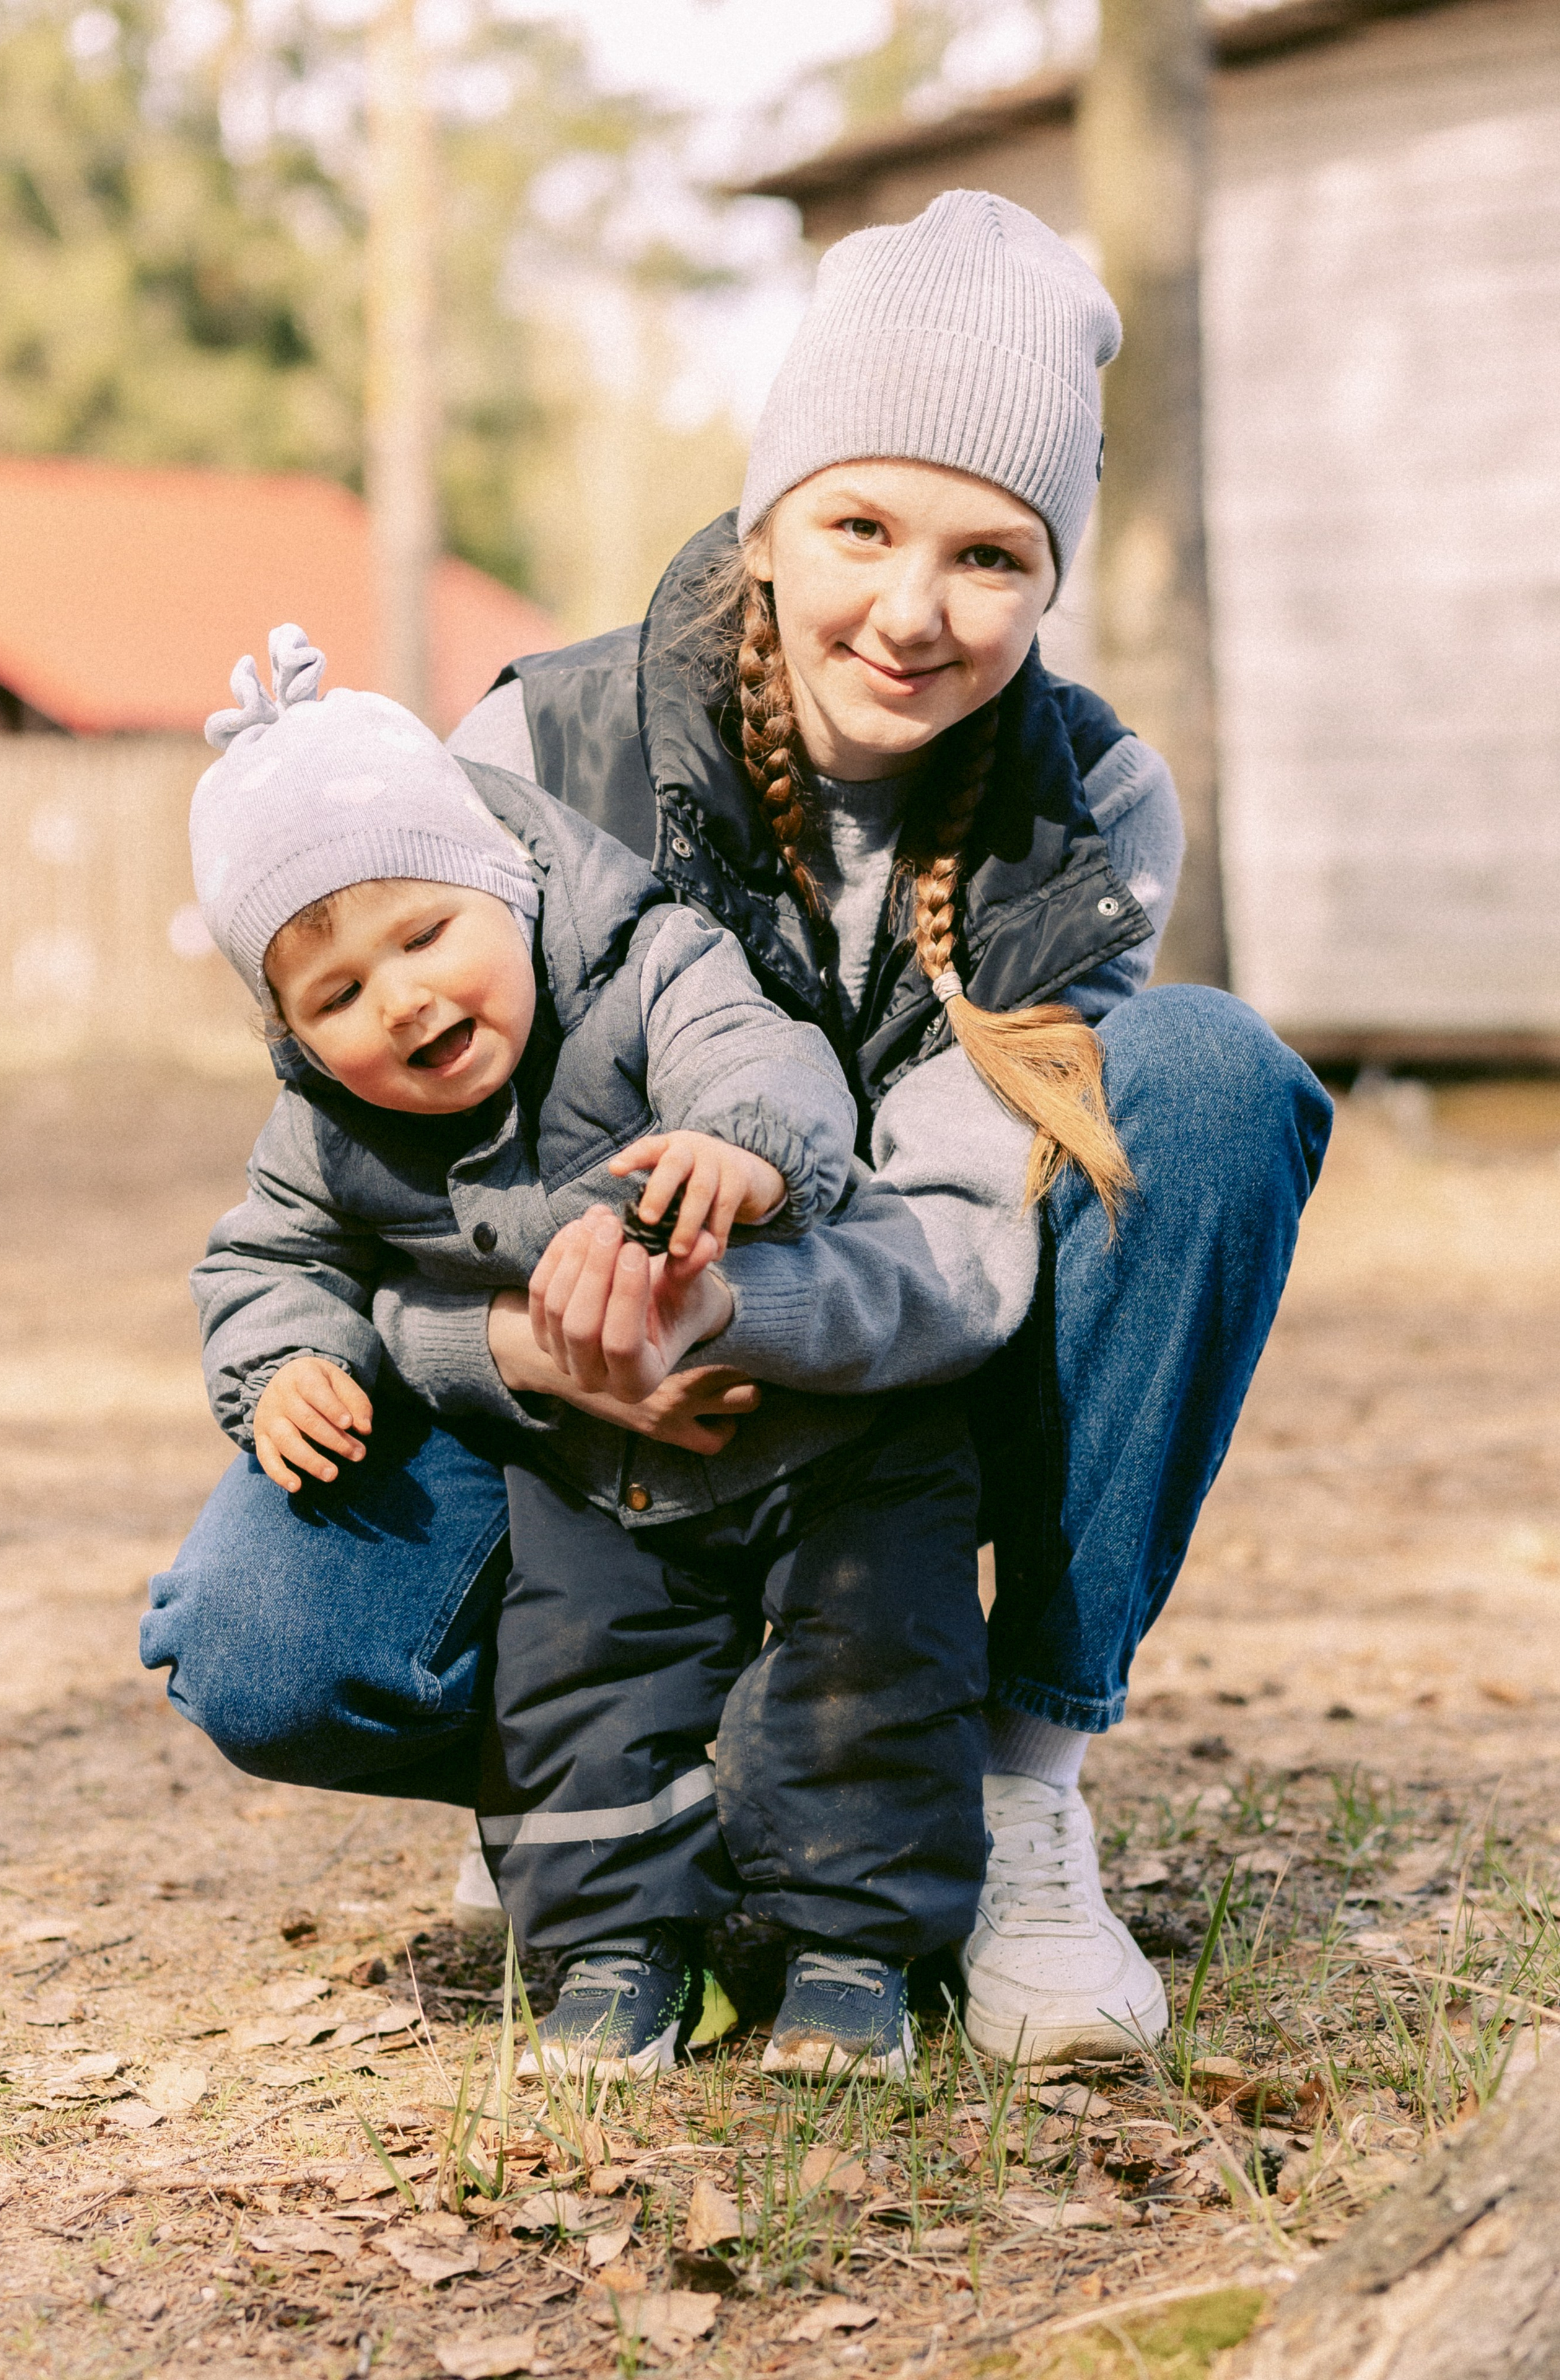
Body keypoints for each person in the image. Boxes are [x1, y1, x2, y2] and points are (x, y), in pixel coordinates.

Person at [145, 191, 1332, 2069]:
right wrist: (523, 1339)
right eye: (860, 524)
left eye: (991, 556)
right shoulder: (540, 746)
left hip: (902, 1393)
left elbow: (963, 1237)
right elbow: (372, 1196)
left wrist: (725, 1314)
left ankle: (1016, 1775)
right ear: (768, 514)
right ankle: (607, 1780)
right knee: (264, 1639)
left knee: (1203, 1079)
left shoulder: (1086, 801)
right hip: (570, 1399)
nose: (913, 610)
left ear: (1052, 577)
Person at [178, 623, 1005, 2081]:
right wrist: (290, 1363)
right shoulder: (326, 1132)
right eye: (339, 997)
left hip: (825, 1428)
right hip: (590, 1456)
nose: (407, 1002)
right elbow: (267, 1257)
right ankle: (624, 1954)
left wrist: (738, 1157)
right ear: (295, 1038)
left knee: (868, 1660)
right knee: (580, 1686)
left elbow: (763, 1063)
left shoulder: (643, 963)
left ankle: (853, 1954)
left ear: (502, 880)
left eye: (426, 935)